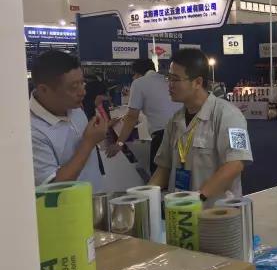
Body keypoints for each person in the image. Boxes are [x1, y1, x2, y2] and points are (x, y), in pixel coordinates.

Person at [149, 49, 253, 204]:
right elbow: (164, 167)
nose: (169, 85)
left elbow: (235, 164)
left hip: (216, 212)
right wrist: (145, 196)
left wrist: (199, 197)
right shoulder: (175, 120)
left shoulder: (229, 115)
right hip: (179, 211)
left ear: (197, 82)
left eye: (175, 79)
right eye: (168, 78)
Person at [29, 51, 107, 191]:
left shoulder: (74, 108)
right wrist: (89, 142)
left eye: (82, 83)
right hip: (68, 204)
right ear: (44, 90)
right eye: (74, 87)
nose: (82, 92)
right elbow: (52, 187)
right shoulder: (32, 130)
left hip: (95, 197)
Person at [107, 58, 181, 173]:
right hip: (183, 134)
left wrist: (119, 143)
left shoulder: (139, 83)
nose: (133, 78)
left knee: (159, 176)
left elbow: (132, 117)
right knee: (178, 175)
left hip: (163, 137)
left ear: (138, 73)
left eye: (134, 75)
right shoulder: (167, 81)